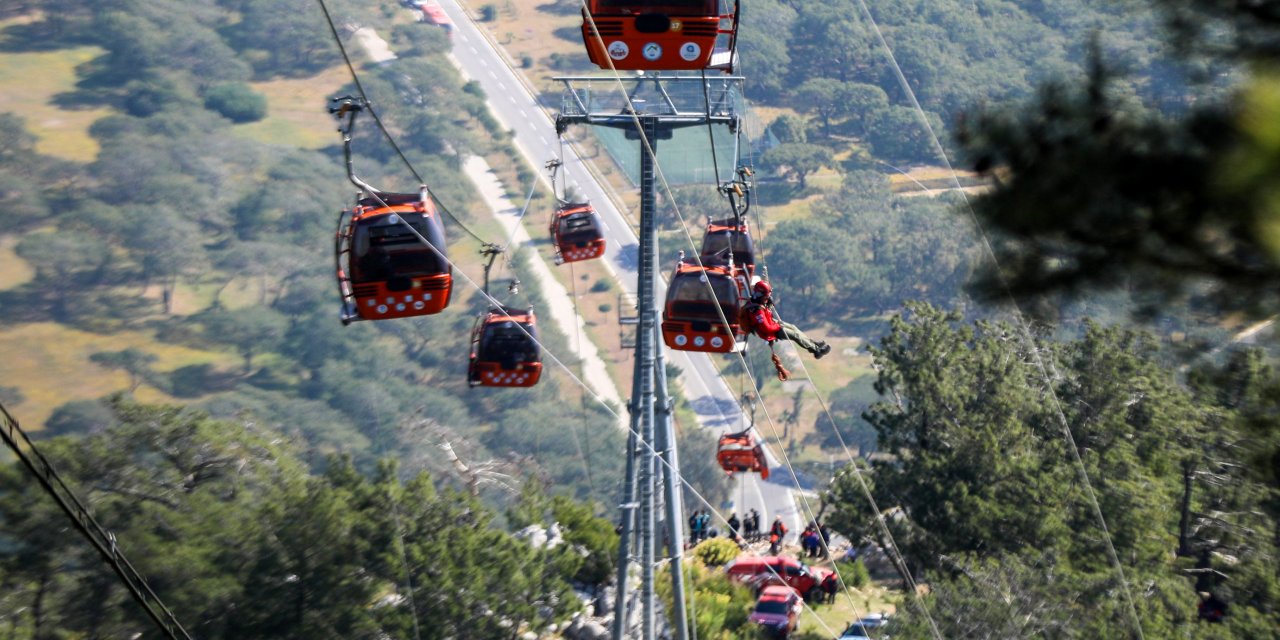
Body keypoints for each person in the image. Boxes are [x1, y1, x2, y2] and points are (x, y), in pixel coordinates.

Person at [741, 281, 831, 359]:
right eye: (766, 297)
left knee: (793, 327)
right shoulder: (757, 311)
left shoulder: (756, 300)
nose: (767, 298)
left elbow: (767, 312)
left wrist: (769, 304)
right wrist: (778, 326)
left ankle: (812, 343)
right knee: (795, 335)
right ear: (760, 295)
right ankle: (816, 351)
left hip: (772, 323)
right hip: (770, 332)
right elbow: (766, 328)